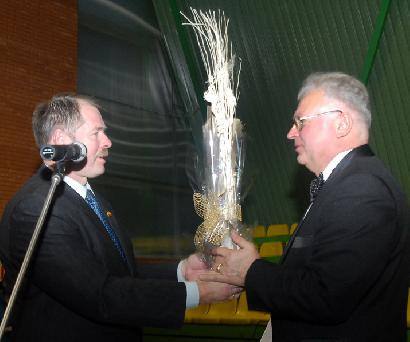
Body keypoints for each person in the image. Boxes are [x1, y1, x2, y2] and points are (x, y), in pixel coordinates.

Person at [0, 94, 240, 341]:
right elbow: (101, 295)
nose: (108, 142)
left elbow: (118, 273)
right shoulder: (37, 209)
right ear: (61, 140)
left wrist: (181, 271)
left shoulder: (88, 197)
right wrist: (196, 293)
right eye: (97, 133)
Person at [202, 72, 410, 341]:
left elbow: (325, 296)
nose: (290, 133)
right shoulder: (347, 182)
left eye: (300, 122)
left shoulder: (362, 189)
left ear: (341, 123)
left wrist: (251, 271)